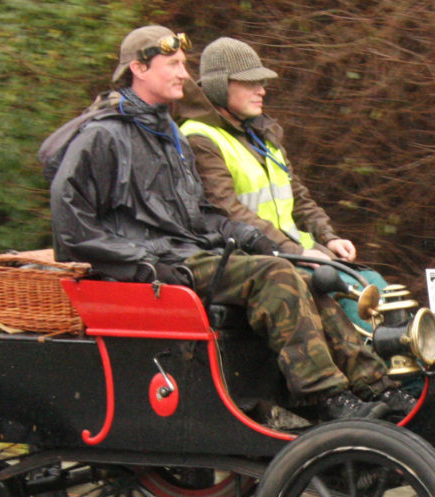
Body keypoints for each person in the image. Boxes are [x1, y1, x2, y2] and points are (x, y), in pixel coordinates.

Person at [45, 25, 413, 421]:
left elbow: (200, 213)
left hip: (184, 253)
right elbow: (72, 230)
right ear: (138, 68)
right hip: (152, 267)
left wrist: (253, 238)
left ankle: (375, 385)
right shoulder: (103, 136)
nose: (184, 75)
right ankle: (326, 398)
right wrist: (141, 260)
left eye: (183, 64)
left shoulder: (167, 133)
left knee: (300, 273)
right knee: (277, 275)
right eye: (172, 64)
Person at [176, 37, 390, 330]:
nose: (261, 90)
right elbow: (228, 211)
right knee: (352, 296)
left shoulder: (262, 133)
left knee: (375, 284)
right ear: (219, 86)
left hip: (295, 252)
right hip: (256, 258)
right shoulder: (200, 138)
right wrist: (298, 252)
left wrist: (328, 238)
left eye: (261, 83)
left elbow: (298, 196)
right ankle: (382, 370)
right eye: (250, 83)